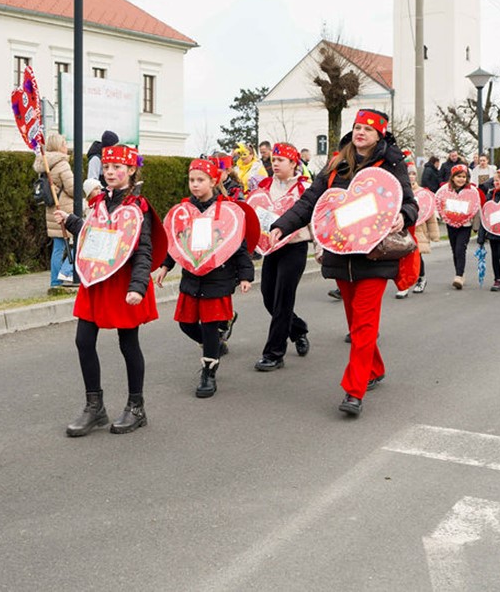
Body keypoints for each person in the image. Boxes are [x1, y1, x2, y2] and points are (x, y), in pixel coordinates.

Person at [269, 109, 417, 418]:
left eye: (368, 129)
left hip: (375, 255)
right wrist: (282, 225)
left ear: (380, 134)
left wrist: (404, 216)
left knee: (364, 324)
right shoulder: (337, 163)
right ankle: (375, 367)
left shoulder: (392, 164)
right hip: (340, 254)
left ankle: (354, 391)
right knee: (355, 321)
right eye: (358, 127)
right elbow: (310, 201)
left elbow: (408, 202)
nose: (361, 132)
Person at [54, 145, 159, 436]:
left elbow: (143, 250)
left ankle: (136, 407)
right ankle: (95, 407)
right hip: (96, 281)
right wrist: (72, 222)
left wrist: (138, 286)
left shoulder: (138, 207)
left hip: (124, 283)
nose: (110, 172)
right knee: (83, 340)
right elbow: (96, 234)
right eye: (107, 167)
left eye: (117, 168)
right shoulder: (99, 201)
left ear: (131, 170)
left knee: (128, 344)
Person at [152, 159, 253, 397]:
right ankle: (216, 343)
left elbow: (238, 245)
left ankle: (209, 373)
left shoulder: (227, 211)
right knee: (186, 324)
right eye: (192, 180)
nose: (195, 184)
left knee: (209, 326)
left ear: (213, 181)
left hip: (218, 278)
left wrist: (245, 275)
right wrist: (165, 266)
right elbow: (177, 241)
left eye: (200, 180)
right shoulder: (185, 211)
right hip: (192, 278)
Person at [249, 143, 312, 371]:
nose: (275, 163)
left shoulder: (305, 188)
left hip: (295, 247)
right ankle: (298, 329)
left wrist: (321, 249)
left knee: (283, 298)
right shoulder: (264, 187)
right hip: (271, 248)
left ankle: (274, 353)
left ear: (293, 163)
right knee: (268, 296)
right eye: (273, 160)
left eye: (280, 160)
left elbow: (313, 219)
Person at [34, 132, 76, 287]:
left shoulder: (45, 164)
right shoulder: (62, 164)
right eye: (64, 143)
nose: (66, 147)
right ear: (59, 146)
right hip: (65, 209)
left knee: (58, 247)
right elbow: (72, 189)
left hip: (52, 209)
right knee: (80, 243)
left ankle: (55, 281)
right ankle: (66, 271)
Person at [399, 162, 439, 297]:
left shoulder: (423, 193)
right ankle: (403, 283)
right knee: (401, 257)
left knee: (417, 256)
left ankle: (421, 278)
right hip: (403, 229)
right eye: (408, 174)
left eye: (413, 174)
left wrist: (434, 234)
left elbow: (430, 215)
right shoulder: (398, 190)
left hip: (418, 229)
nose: (411, 176)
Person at [440, 164, 482, 289]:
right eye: (458, 176)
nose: (461, 179)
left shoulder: (472, 191)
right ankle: (459, 273)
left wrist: (476, 226)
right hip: (451, 223)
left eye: (464, 177)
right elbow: (439, 202)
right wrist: (442, 217)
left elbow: (477, 208)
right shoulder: (445, 190)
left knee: (460, 249)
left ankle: (458, 275)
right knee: (454, 249)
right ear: (452, 177)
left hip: (465, 225)